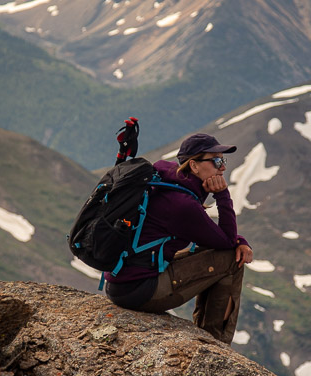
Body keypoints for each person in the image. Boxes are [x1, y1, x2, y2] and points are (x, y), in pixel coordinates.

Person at [104, 132, 254, 344]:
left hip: (120, 283)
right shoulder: (182, 205)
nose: (223, 168)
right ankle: (214, 342)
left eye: (223, 160)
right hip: (139, 290)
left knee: (225, 250)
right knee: (231, 259)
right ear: (194, 166)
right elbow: (226, 242)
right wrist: (222, 195)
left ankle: (209, 339)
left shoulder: (165, 180)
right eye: (217, 161)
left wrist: (239, 240)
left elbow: (212, 236)